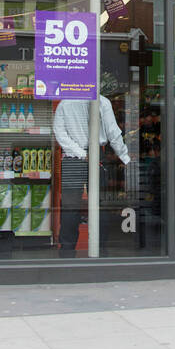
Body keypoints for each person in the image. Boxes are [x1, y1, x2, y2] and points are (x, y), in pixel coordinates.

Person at [51, 94, 131, 258]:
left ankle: (67, 252)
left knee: (70, 207)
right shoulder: (102, 101)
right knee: (100, 205)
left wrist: (79, 152)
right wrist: (125, 157)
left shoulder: (65, 103)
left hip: (72, 157)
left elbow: (59, 132)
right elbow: (113, 133)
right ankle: (100, 249)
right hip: (96, 155)